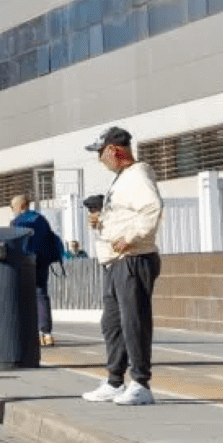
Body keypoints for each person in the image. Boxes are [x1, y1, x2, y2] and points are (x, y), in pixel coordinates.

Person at [79, 126, 164, 408]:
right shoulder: (123, 178)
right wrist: (100, 220)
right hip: (117, 262)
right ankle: (115, 381)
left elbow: (152, 208)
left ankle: (140, 383)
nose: (100, 160)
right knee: (113, 324)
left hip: (133, 259)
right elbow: (127, 214)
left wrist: (130, 238)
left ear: (114, 151)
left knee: (134, 322)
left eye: (101, 154)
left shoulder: (137, 175)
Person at [9, 194, 64, 347]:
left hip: (25, 262)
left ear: (20, 206)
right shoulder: (41, 219)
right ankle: (46, 332)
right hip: (42, 262)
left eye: (12, 207)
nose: (12, 210)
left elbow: (14, 244)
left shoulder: (17, 222)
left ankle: (28, 331)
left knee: (24, 297)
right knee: (41, 294)